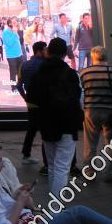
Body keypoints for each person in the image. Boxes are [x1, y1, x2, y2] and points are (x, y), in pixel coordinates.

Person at [27, 37, 82, 197]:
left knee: (51, 166)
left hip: (46, 123)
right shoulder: (71, 74)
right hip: (67, 125)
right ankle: (56, 206)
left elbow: (32, 99)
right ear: (65, 53)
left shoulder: (39, 75)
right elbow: (78, 98)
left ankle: (53, 204)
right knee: (62, 168)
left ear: (48, 52)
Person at [79, 46, 112, 180]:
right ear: (106, 56)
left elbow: (80, 92)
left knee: (90, 143)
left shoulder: (84, 72)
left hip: (90, 111)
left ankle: (89, 172)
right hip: (111, 112)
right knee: (110, 143)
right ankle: (109, 173)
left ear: (92, 57)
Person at [16, 41, 47, 164]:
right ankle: (47, 161)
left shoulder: (23, 65)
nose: (47, 52)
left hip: (31, 102)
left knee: (32, 129)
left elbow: (19, 86)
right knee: (46, 130)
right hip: (45, 103)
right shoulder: (45, 65)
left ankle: (26, 154)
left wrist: (25, 98)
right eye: (45, 49)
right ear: (40, 51)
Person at [1, 20, 23, 91]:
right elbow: (9, 43)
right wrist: (14, 33)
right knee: (13, 73)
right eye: (14, 22)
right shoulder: (5, 33)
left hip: (19, 54)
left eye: (16, 22)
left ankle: (20, 85)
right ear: (9, 24)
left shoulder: (15, 31)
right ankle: (13, 87)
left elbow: (18, 41)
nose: (16, 23)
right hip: (11, 56)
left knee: (20, 72)